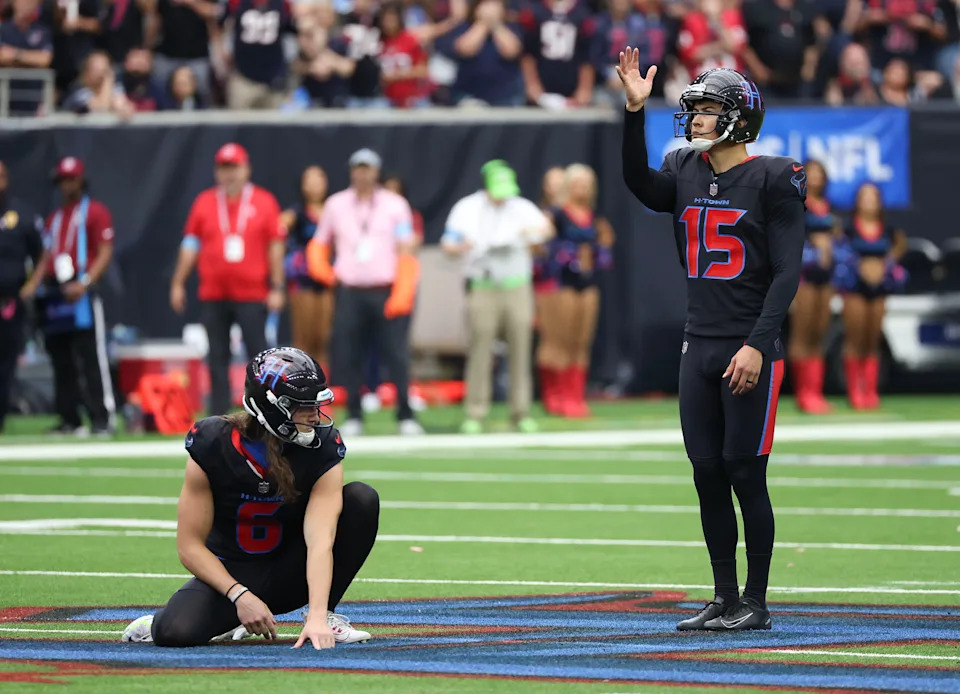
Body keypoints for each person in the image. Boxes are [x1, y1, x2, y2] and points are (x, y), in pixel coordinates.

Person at [618, 48, 805, 630]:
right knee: (706, 473)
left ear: (739, 117)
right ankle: (724, 595)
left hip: (747, 344)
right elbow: (638, 184)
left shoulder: (775, 175)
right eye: (693, 108)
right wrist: (632, 113)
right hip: (697, 342)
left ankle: (757, 600)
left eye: (706, 108)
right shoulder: (683, 167)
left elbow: (787, 271)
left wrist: (758, 344)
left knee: (746, 471)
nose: (695, 117)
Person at [121, 347, 378, 648]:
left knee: (361, 500)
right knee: (174, 632)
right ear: (271, 406)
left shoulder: (321, 447)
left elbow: (321, 538)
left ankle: (328, 615)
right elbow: (189, 546)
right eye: (303, 405)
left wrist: (318, 614)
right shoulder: (213, 443)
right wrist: (238, 594)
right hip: (231, 573)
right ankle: (212, 619)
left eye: (315, 403)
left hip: (291, 570)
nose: (315, 414)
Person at [306, 148, 423, 437]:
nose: (363, 174)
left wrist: (404, 288)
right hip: (350, 290)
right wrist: (325, 271)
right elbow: (320, 242)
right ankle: (355, 413)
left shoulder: (395, 204)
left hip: (385, 289)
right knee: (350, 353)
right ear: (351, 172)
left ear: (376, 171)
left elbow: (406, 247)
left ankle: (405, 413)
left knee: (396, 354)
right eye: (358, 168)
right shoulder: (336, 204)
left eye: (368, 168)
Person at [170, 143, 286, 415]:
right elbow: (190, 244)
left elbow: (276, 246)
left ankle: (263, 412)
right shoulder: (205, 202)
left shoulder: (264, 201)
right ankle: (220, 415)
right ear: (216, 172)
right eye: (224, 168)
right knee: (217, 357)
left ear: (246, 169)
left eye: (234, 168)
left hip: (252, 292)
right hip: (214, 292)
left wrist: (277, 286)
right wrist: (178, 281)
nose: (229, 174)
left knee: (259, 357)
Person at [441, 159, 553, 433]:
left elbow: (546, 230)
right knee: (480, 349)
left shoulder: (521, 206)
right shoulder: (467, 208)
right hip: (483, 284)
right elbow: (448, 243)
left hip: (517, 285)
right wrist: (460, 247)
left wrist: (535, 234)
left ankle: (521, 411)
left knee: (520, 348)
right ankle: (475, 412)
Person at [37, 156, 117, 436]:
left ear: (80, 180)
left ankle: (102, 417)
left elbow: (105, 251)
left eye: (71, 179)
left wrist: (84, 282)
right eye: (62, 180)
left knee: (90, 356)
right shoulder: (55, 218)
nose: (66, 185)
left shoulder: (94, 212)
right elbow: (47, 254)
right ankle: (69, 418)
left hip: (82, 292)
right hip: (58, 294)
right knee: (61, 359)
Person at [539, 164, 614, 418]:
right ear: (568, 185)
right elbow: (542, 246)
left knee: (581, 341)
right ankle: (556, 395)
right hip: (561, 283)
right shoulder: (557, 214)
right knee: (560, 340)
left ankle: (575, 396)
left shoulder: (594, 216)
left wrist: (597, 251)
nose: (581, 188)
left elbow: (606, 244)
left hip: (588, 282)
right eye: (577, 182)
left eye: (586, 183)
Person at [834, 182, 907, 410]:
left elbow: (899, 246)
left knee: (872, 339)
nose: (869, 201)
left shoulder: (886, 229)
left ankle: (870, 390)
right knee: (855, 338)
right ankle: (855, 390)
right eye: (865, 197)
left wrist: (887, 263)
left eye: (873, 197)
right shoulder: (847, 228)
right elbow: (839, 250)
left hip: (879, 289)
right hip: (854, 287)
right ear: (857, 202)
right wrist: (859, 266)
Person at [788, 160, 837, 415]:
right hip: (804, 276)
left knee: (819, 332)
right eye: (811, 173)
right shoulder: (797, 203)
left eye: (820, 172)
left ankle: (816, 391)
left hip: (825, 277)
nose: (816, 177)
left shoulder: (829, 207)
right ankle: (803, 394)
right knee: (802, 333)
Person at [0, 161, 45, 434]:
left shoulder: (21, 215)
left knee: (5, 362)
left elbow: (41, 255)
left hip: (8, 302)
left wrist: (32, 285)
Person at [281, 165, 334, 369]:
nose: (314, 185)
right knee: (304, 336)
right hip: (303, 280)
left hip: (327, 279)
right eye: (309, 180)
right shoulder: (296, 213)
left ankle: (322, 384)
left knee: (323, 335)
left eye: (318, 179)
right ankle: (302, 385)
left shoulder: (334, 210)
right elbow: (278, 228)